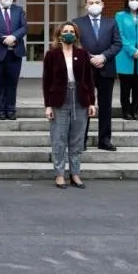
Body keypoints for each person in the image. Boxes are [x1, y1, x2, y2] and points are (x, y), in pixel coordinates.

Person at [42, 22, 97, 190]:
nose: (68, 34)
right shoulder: (52, 54)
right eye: (65, 31)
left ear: (76, 35)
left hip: (79, 98)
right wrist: (48, 105)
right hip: (59, 98)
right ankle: (59, 174)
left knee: (76, 140)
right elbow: (47, 81)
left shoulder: (82, 54)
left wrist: (92, 102)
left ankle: (75, 174)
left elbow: (89, 79)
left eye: (71, 31)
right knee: (59, 139)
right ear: (59, 35)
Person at [73, 0, 121, 151]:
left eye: (97, 2)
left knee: (106, 106)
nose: (94, 5)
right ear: (86, 6)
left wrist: (103, 57)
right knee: (84, 105)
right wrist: (89, 58)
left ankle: (105, 140)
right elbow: (75, 44)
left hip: (106, 69)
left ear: (103, 4)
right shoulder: (77, 23)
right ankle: (81, 140)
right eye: (90, 2)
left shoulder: (112, 23)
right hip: (85, 71)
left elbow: (117, 43)